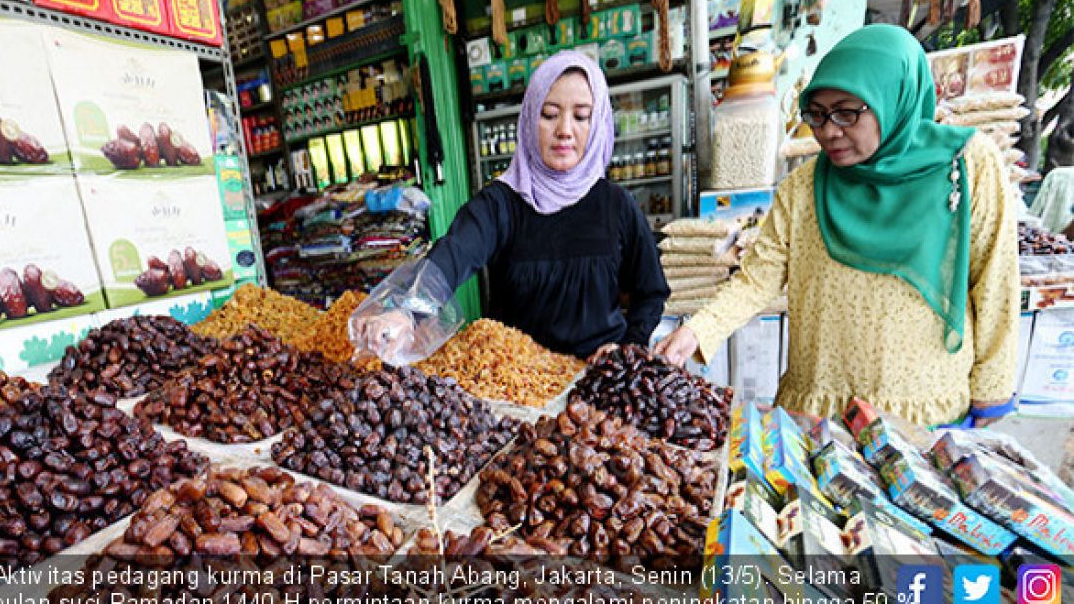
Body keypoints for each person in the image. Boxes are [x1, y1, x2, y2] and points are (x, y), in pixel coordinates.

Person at [655, 25, 1019, 427]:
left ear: (894, 99)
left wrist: (991, 396)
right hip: (817, 413)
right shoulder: (804, 189)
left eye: (846, 112)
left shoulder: (966, 167)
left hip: (919, 414)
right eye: (817, 114)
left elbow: (995, 283)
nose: (828, 130)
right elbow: (757, 281)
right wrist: (697, 332)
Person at [354, 50, 669, 361]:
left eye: (581, 116)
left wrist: (629, 348)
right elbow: (452, 255)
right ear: (530, 118)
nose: (565, 130)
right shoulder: (499, 204)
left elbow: (651, 291)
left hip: (601, 382)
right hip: (517, 389)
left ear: (597, 122)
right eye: (549, 114)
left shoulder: (617, 205)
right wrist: (407, 311)